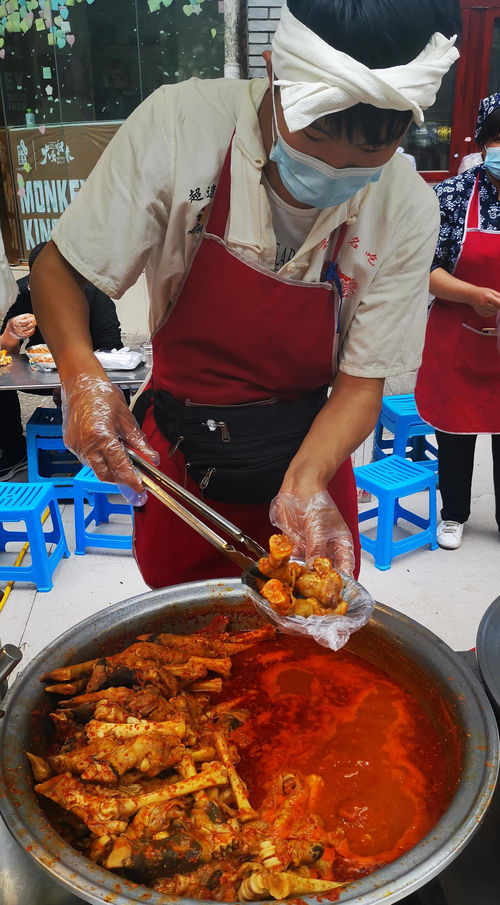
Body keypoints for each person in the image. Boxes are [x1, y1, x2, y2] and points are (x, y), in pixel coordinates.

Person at [30, 0, 460, 588]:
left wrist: (307, 483)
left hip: (311, 454)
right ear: (274, 70)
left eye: (367, 153)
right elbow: (61, 269)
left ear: (407, 123)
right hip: (179, 461)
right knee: (178, 649)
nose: (332, 170)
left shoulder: (407, 206)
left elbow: (362, 384)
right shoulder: (183, 125)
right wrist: (82, 376)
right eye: (316, 133)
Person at [415, 93, 500, 550]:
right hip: (458, 334)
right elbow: (426, 270)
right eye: (499, 139)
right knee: (455, 429)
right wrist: (472, 296)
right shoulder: (449, 196)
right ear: (483, 143)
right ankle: (454, 513)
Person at [0, 242, 124, 480]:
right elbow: (5, 355)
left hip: (88, 373)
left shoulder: (96, 295)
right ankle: (12, 452)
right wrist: (11, 334)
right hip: (38, 374)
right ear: (32, 282)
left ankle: (109, 444)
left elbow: (111, 352)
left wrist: (71, 379)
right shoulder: (18, 295)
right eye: (42, 285)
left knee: (116, 383)